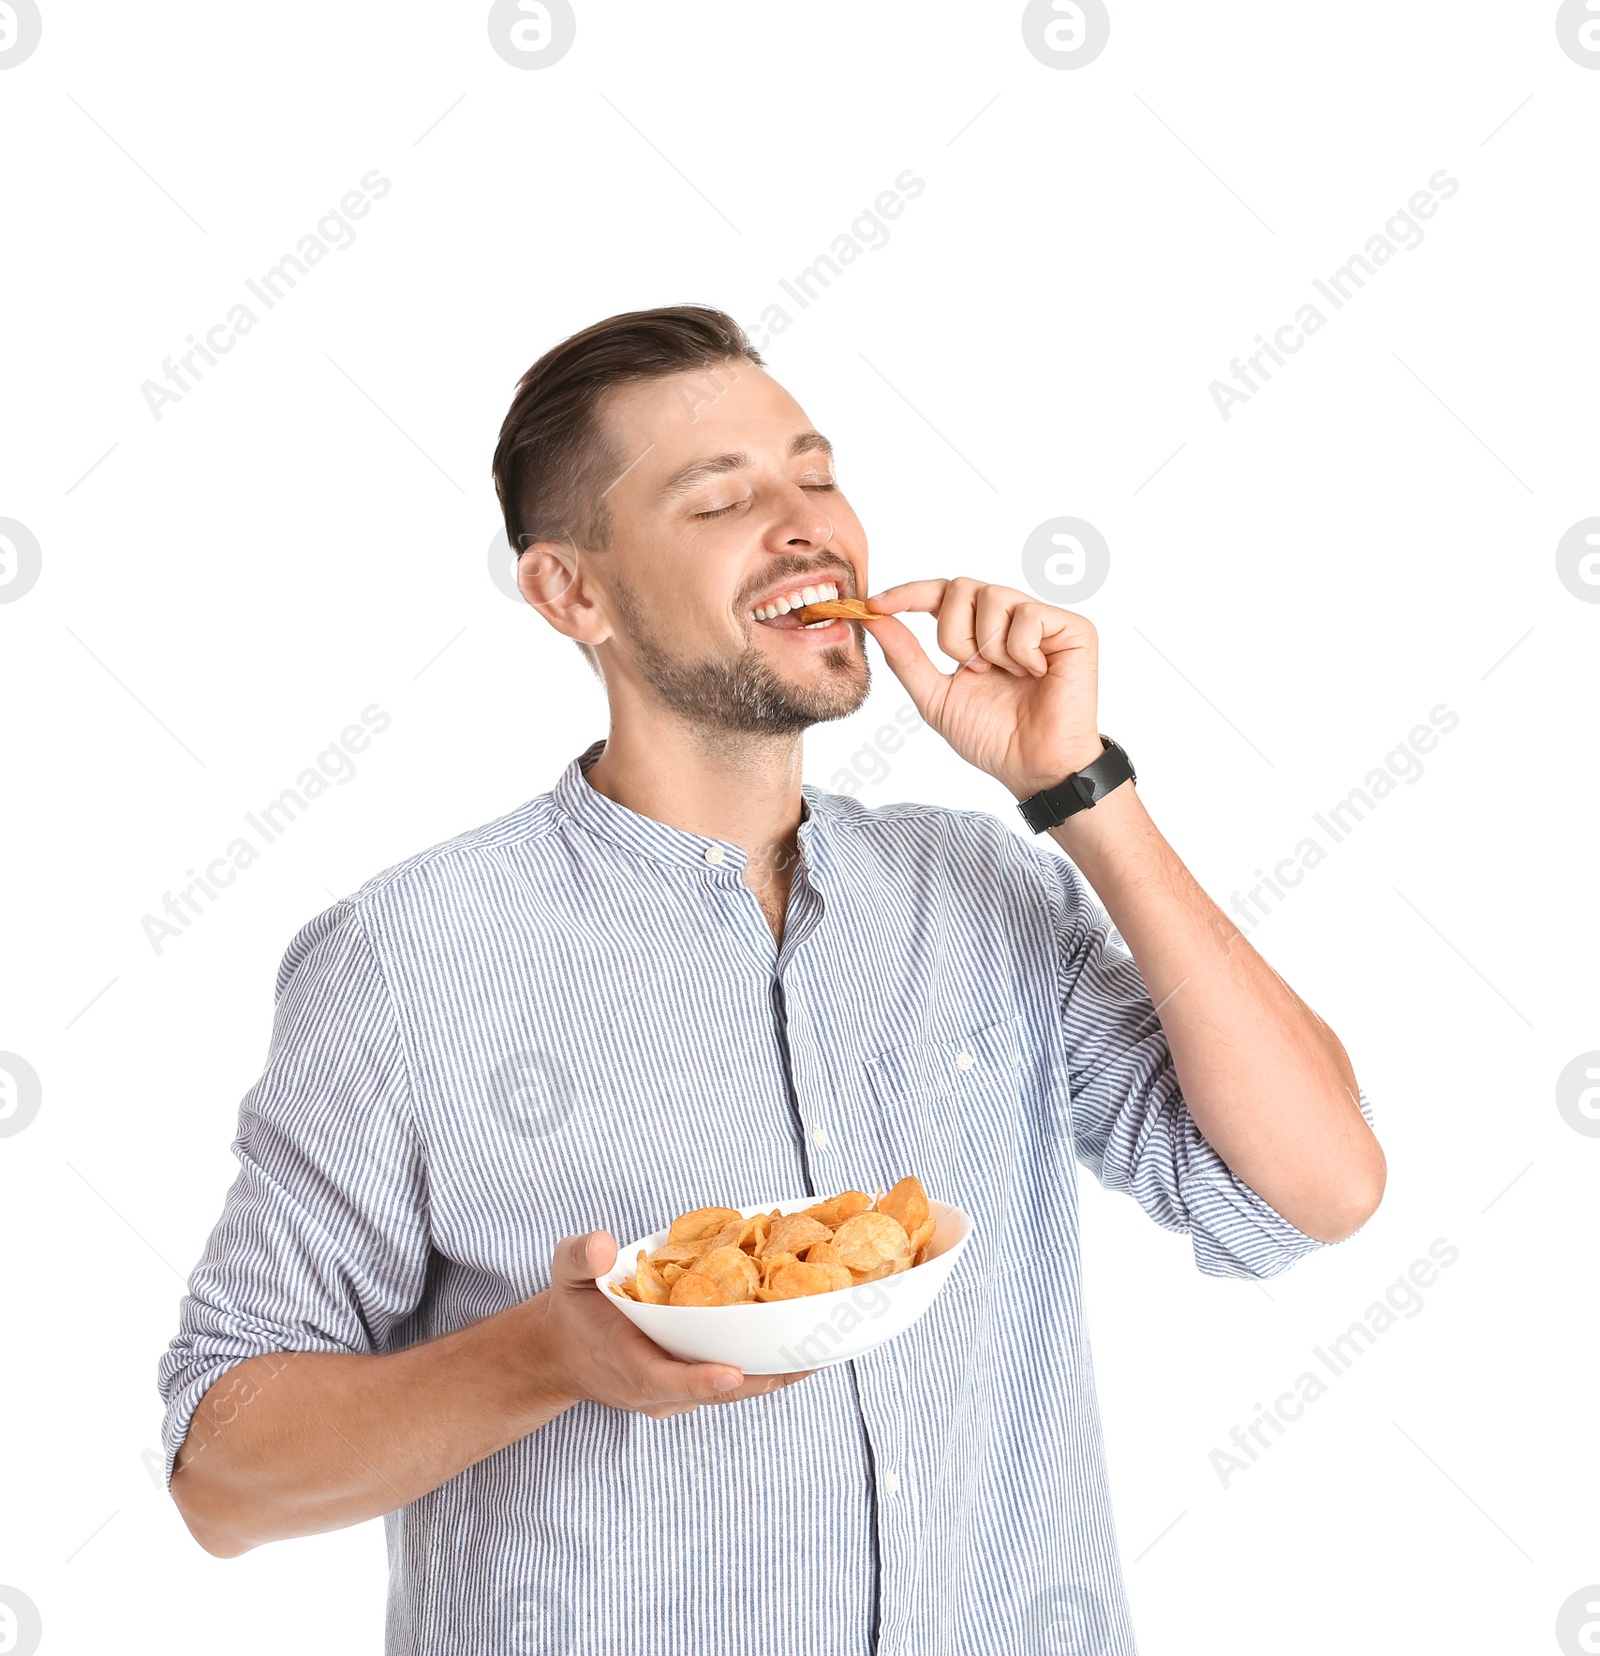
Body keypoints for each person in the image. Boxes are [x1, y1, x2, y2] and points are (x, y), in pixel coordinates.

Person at [157, 305, 1385, 1654]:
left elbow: (1313, 1189)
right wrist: (549, 1354)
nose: (806, 521)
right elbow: (224, 1479)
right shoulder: (409, 960)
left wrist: (1078, 793)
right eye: (721, 496)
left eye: (815, 473)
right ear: (575, 592)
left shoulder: (985, 891)